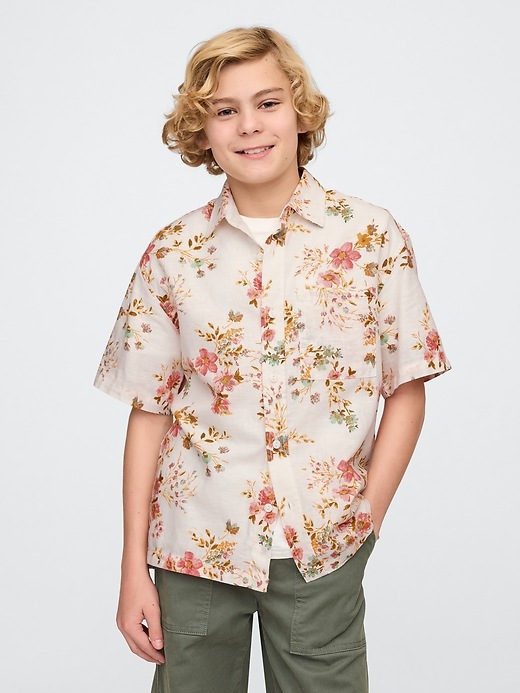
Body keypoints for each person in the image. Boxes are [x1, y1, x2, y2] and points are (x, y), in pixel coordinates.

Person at [94, 26, 450, 693]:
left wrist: (367, 515)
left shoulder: (371, 236)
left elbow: (407, 384)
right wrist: (131, 567)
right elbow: (149, 411)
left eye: (267, 103)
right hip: (195, 549)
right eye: (224, 110)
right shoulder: (173, 253)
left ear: (300, 112)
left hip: (323, 547)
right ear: (202, 130)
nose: (249, 126)